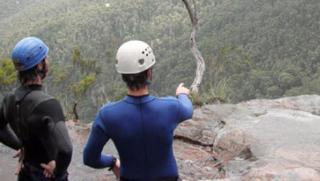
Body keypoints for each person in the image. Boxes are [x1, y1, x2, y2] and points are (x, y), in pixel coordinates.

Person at [83, 40, 193, 181]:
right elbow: (188, 110)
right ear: (149, 72)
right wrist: (182, 94)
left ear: (123, 75)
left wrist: (111, 162)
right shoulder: (171, 107)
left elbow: (90, 158)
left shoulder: (108, 115)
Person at [0, 37, 73, 180]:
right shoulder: (47, 104)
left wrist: (22, 147)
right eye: (46, 58)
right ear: (40, 65)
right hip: (46, 174)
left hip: (26, 172)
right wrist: (57, 169)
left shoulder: (8, 99)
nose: (48, 61)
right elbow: (66, 149)